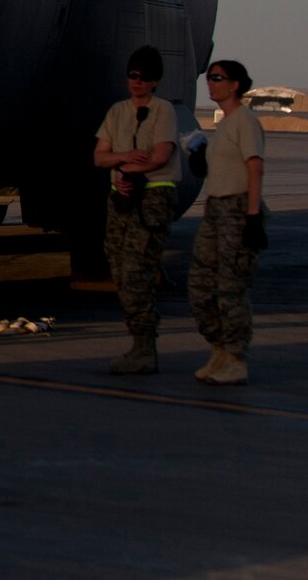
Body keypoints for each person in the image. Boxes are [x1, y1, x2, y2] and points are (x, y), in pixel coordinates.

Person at [91, 45, 178, 374]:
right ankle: (139, 340)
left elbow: (160, 156)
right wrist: (126, 160)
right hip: (120, 199)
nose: (137, 82)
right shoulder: (117, 113)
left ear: (155, 81)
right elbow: (100, 157)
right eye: (132, 76)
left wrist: (125, 165)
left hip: (152, 199)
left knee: (137, 271)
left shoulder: (163, 112)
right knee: (118, 267)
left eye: (143, 77)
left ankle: (144, 346)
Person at [190, 59, 267, 385]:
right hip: (215, 209)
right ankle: (219, 349)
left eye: (217, 78)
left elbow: (254, 167)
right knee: (201, 285)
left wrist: (252, 217)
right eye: (209, 78)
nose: (211, 83)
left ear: (235, 84)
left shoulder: (245, 121)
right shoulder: (224, 124)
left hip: (238, 209)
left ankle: (236, 358)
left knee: (231, 287)